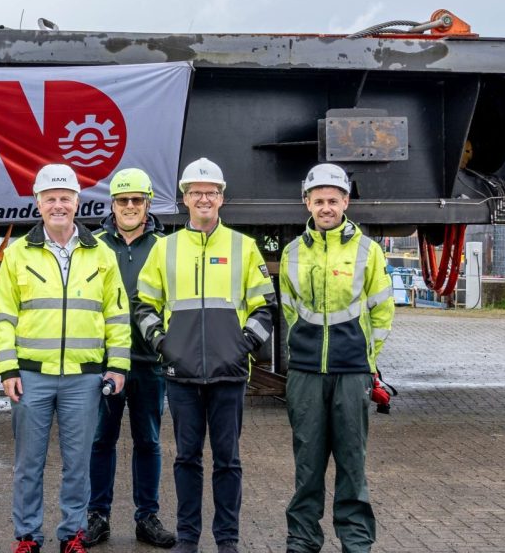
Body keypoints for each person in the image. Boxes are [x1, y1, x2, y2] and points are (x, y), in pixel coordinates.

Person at [135, 158, 276, 553]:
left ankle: (227, 541)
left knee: (228, 462)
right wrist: (164, 345)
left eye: (210, 192)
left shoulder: (243, 247)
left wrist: (241, 345)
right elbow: (144, 304)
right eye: (195, 192)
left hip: (229, 375)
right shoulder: (165, 248)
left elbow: (265, 307)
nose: (203, 198)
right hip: (181, 375)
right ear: (184, 199)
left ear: (222, 198)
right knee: (187, 460)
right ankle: (187, 539)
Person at [0, 163, 131, 553]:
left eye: (65, 198)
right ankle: (27, 536)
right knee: (28, 465)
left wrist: (117, 365)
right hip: (31, 376)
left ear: (77, 202)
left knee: (78, 465)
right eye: (50, 198)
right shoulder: (17, 254)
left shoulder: (101, 254)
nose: (58, 205)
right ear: (38, 203)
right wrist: (7, 368)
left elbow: (117, 316)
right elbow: (2, 316)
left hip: (83, 379)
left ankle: (72, 534)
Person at [278, 164, 394, 553]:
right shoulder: (293, 253)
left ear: (346, 202)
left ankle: (356, 543)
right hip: (306, 373)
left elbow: (382, 312)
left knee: (352, 465)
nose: (326, 207)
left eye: (333, 200)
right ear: (307, 203)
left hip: (352, 373)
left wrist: (365, 360)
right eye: (318, 200)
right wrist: (305, 353)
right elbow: (290, 311)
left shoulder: (368, 251)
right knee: (307, 467)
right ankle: (302, 540)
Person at [84, 168, 176, 548]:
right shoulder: (94, 244)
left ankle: (147, 517)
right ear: (113, 204)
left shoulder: (166, 246)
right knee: (100, 440)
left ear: (148, 203)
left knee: (149, 441)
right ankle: (97, 515)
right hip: (107, 361)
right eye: (123, 200)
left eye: (137, 200)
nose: (130, 207)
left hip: (151, 362)